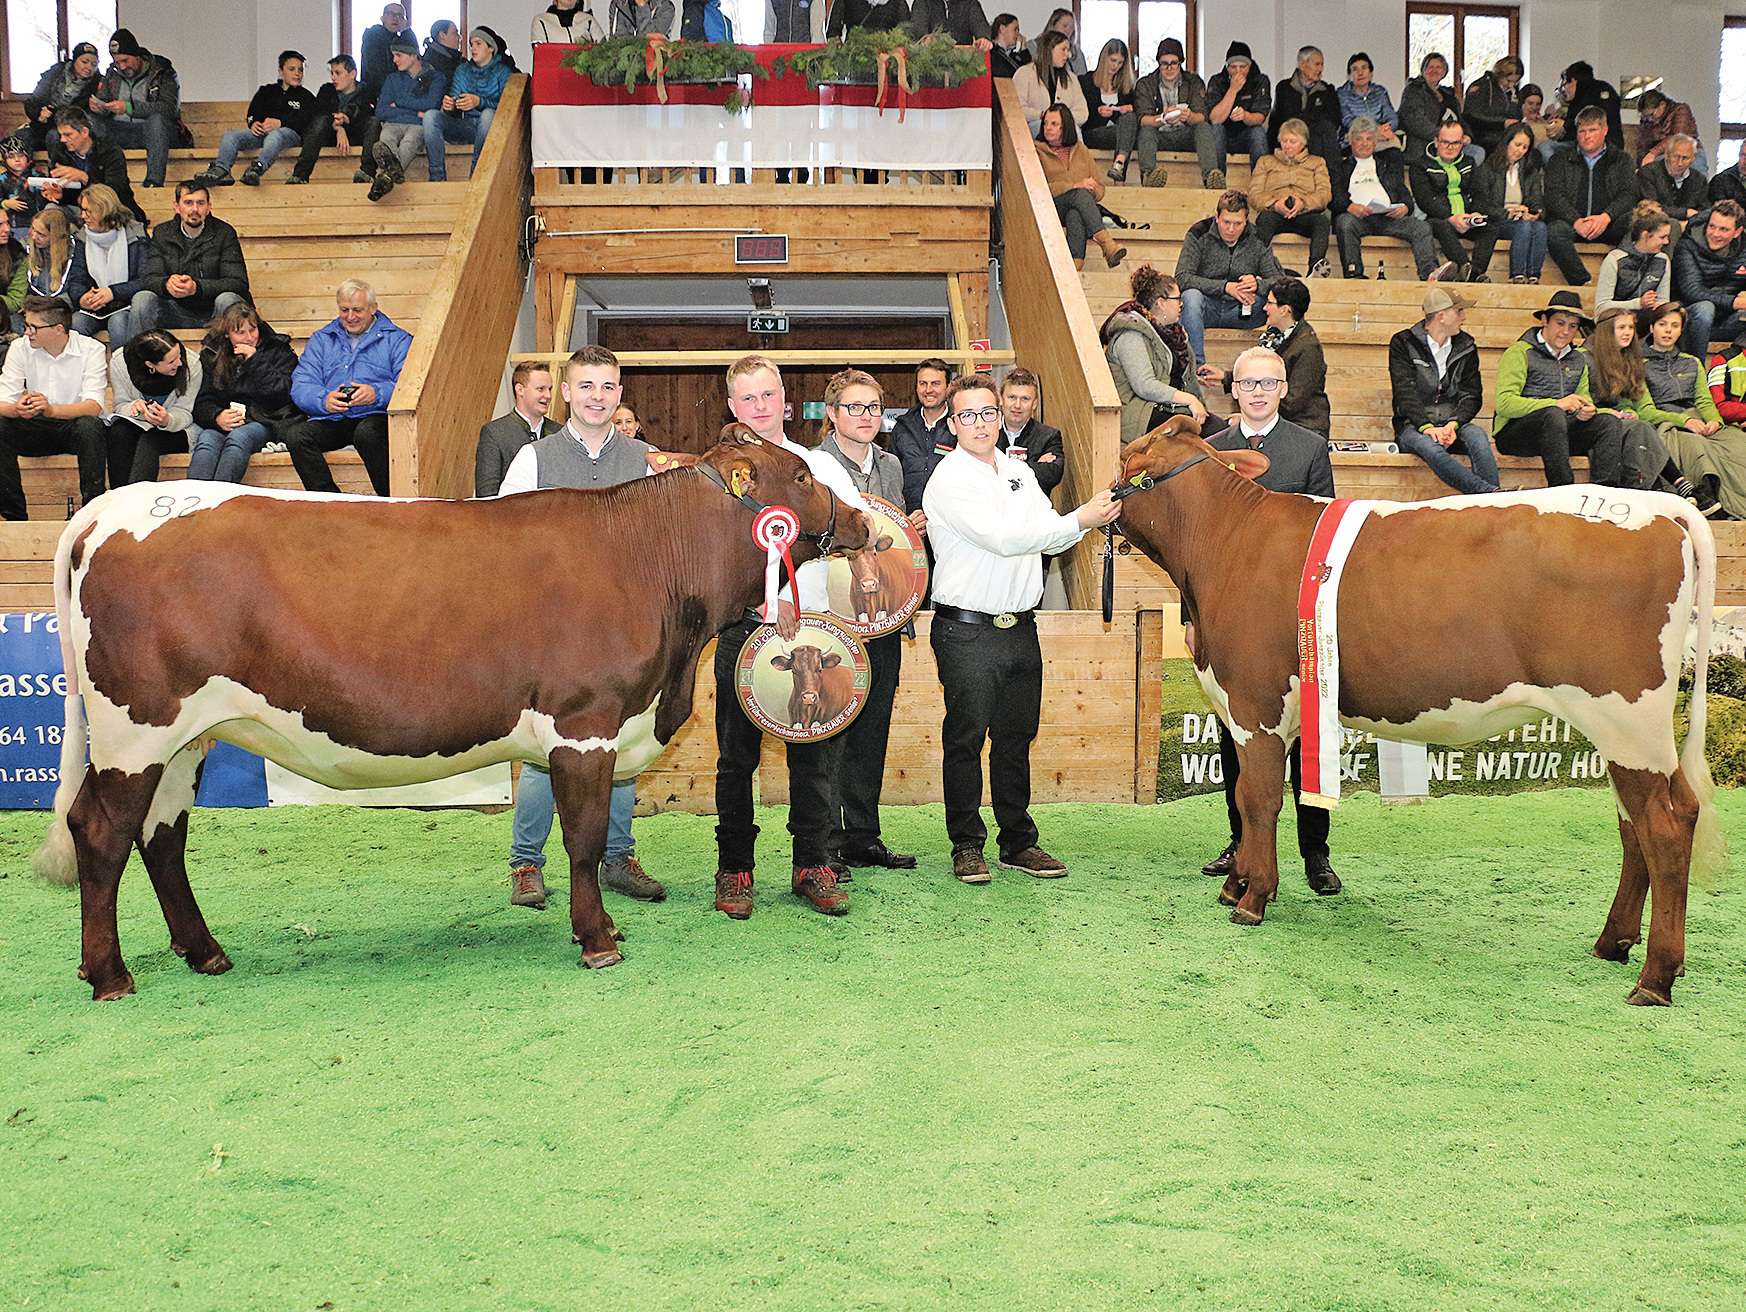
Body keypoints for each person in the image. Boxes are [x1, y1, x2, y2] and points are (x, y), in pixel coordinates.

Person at [923, 372, 1119, 883]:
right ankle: (966, 844)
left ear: (1002, 416)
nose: (980, 423)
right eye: (967, 415)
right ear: (953, 421)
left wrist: (1074, 524)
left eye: (987, 412)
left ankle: (1017, 842)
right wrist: (1082, 517)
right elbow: (1007, 538)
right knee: (966, 738)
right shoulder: (948, 480)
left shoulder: (1019, 472)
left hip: (1019, 627)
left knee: (1015, 736)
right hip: (966, 630)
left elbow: (1048, 540)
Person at [495, 346, 667, 910]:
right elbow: (505, 544)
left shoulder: (643, 461)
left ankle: (617, 856)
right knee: (550, 748)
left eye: (609, 387)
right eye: (587, 386)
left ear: (620, 393)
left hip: (621, 631)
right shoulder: (532, 459)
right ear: (566, 392)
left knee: (617, 739)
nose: (598, 396)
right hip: (551, 632)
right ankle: (527, 862)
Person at [710, 354, 874, 919]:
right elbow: (715, 559)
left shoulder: (813, 466)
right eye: (748, 399)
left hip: (812, 630)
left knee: (816, 757)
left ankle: (813, 864)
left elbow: (836, 541)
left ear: (786, 397)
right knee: (736, 760)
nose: (761, 408)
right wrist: (761, 597)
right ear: (733, 408)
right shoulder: (719, 478)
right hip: (743, 630)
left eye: (769, 395)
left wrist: (801, 600)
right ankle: (734, 870)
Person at [1197, 346, 1339, 898]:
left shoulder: (1308, 448)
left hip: (1296, 616)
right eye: (1247, 382)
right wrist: (1195, 617)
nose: (1257, 391)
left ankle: (1314, 851)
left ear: (1284, 389)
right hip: (1229, 622)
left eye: (1268, 382)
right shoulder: (1210, 452)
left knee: (1306, 734)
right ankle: (1243, 846)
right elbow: (1198, 552)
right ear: (1233, 389)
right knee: (1240, 734)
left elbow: (1325, 532)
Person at [815, 368, 917, 874]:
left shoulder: (892, 466)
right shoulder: (812, 467)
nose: (866, 417)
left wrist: (910, 530)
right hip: (834, 620)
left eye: (874, 408)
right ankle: (825, 842)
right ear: (832, 414)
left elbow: (893, 542)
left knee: (873, 727)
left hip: (884, 618)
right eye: (854, 408)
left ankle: (863, 835)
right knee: (833, 726)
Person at [285, 279, 411, 495]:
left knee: (368, 433)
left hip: (376, 415)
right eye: (344, 310)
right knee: (297, 435)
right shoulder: (322, 339)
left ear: (373, 308)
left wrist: (376, 393)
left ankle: (390, 499)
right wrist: (323, 400)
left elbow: (408, 385)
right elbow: (302, 383)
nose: (350, 316)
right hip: (333, 418)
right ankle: (330, 502)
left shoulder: (398, 339)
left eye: (357, 310)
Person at [1492, 289, 1626, 486]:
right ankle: (1563, 490)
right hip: (1516, 435)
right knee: (1553, 414)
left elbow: (1584, 397)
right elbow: (1505, 403)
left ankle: (1604, 492)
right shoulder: (1519, 352)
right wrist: (1557, 404)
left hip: (1560, 433)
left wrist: (1586, 410)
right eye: (1560, 323)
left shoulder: (1578, 358)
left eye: (1573, 326)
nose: (1565, 332)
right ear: (1544, 320)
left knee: (1608, 422)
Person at [0, 296, 106, 520]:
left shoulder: (91, 349)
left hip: (73, 428)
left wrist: (51, 410)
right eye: (27, 326)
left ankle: (91, 513)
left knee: (90, 426)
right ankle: (14, 516)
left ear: (58, 329)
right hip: (35, 427)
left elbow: (94, 406)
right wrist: (17, 409)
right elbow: (4, 400)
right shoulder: (20, 347)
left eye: (33, 327)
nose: (27, 332)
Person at [1388, 286, 1499, 495]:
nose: (1463, 317)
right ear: (1441, 316)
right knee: (1431, 448)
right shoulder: (1403, 343)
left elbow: (1472, 394)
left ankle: (1492, 498)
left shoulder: (1466, 345)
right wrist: (1426, 426)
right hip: (1413, 425)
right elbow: (1405, 392)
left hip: (1452, 424)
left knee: (1478, 437)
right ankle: (1491, 496)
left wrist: (1454, 423)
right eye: (1459, 312)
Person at [1585, 304, 1704, 500]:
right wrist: (1606, 412)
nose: (1628, 333)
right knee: (1641, 428)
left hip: (1615, 421)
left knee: (1639, 426)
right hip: (1590, 421)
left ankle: (1657, 489)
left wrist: (1627, 411)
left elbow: (1624, 400)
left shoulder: (1625, 358)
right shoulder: (1585, 358)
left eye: (1631, 328)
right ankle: (1675, 484)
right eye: (1621, 327)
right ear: (1607, 330)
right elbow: (1582, 399)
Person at [1640, 300, 1746, 518]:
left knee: (1737, 441)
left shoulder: (1691, 362)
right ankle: (1713, 500)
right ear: (1652, 327)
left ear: (1681, 330)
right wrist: (1685, 422)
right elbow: (1645, 410)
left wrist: (1714, 421)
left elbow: (1704, 400)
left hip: (1696, 416)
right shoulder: (1638, 364)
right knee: (1695, 445)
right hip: (1666, 421)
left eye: (1675, 326)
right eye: (1662, 324)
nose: (1668, 330)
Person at [1197, 277, 1330, 436]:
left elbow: (1292, 402)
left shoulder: (1308, 347)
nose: (1265, 308)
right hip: (1277, 422)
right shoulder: (1274, 337)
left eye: (1269, 303)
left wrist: (1251, 418)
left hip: (1302, 428)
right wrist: (1226, 377)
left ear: (1284, 310)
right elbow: (1263, 377)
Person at [189, 303, 300, 483]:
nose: (249, 337)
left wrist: (255, 360)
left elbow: (281, 395)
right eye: (240, 332)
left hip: (267, 419)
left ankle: (220, 502)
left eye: (253, 330)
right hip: (228, 420)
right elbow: (202, 400)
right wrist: (216, 416)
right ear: (227, 334)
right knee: (206, 440)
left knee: (238, 439)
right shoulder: (212, 353)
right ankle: (195, 502)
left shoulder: (279, 349)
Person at [1174, 187, 1284, 363]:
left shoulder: (1259, 237)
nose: (1231, 229)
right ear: (1216, 217)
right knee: (1190, 297)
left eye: (1238, 223)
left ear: (1246, 221)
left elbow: (1279, 281)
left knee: (1278, 303)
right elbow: (1182, 277)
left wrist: (1257, 284)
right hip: (1205, 307)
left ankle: (1270, 366)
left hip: (1243, 310)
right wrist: (1225, 287)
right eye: (1226, 222)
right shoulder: (1198, 233)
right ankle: (1196, 366)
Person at [1100, 264, 1207, 441]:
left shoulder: (1175, 334)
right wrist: (1189, 399)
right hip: (1139, 414)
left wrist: (1198, 403)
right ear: (1161, 303)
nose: (1181, 304)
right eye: (1177, 298)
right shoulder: (1130, 334)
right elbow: (1144, 385)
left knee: (1219, 431)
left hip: (1167, 407)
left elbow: (1188, 381)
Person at [130, 181, 250, 333]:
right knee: (143, 298)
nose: (195, 209)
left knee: (228, 300)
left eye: (200, 203)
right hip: (174, 310)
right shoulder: (162, 233)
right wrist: (166, 284)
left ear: (209, 207)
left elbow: (238, 283)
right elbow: (148, 278)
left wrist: (197, 287)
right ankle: (138, 355)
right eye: (188, 203)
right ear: (177, 207)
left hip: (214, 312)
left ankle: (226, 355)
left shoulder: (224, 233)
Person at [1334, 117, 1444, 281]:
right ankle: (1353, 274)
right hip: (1359, 219)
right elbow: (1335, 196)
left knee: (1421, 227)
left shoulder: (1386, 165)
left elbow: (1402, 190)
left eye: (1369, 139)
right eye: (1359, 139)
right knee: (1345, 222)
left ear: (1375, 142)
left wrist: (1406, 207)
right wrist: (1349, 206)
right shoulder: (1342, 167)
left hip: (1388, 218)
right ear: (1351, 141)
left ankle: (1429, 272)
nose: (1364, 143)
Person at [1543, 106, 1639, 284]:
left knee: (1634, 223)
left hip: (1608, 224)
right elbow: (1553, 195)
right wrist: (1576, 221)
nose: (1587, 136)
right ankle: (1582, 281)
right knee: (1553, 231)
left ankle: (1625, 281)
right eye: (1582, 131)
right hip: (1572, 224)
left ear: (1605, 130)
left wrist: (1605, 217)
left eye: (1592, 130)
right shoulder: (1559, 159)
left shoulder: (1621, 159)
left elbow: (1629, 194)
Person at [196, 52, 318, 189]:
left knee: (275, 135)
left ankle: (258, 167)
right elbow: (253, 112)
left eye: (300, 70)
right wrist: (254, 123)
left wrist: (281, 123)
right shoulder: (266, 91)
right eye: (292, 69)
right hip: (262, 134)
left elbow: (307, 122)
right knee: (231, 135)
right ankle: (221, 169)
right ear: (280, 71)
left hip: (289, 136)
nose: (297, 73)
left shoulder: (307, 97)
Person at [104, 328, 202, 486]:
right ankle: (119, 497)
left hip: (179, 429)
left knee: (150, 438)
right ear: (150, 365)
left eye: (179, 355)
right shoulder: (120, 362)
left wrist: (166, 420)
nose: (179, 362)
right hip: (139, 423)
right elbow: (120, 405)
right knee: (119, 432)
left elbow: (186, 412)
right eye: (171, 361)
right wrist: (133, 408)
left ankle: (140, 499)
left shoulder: (192, 363)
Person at [1035, 105, 1127, 272]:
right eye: (1046, 123)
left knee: (1075, 213)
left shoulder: (1081, 150)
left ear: (1066, 126)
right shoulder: (1036, 151)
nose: (1048, 128)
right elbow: (1038, 189)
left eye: (1054, 124)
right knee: (1078, 194)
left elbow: (1100, 190)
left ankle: (1075, 266)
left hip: (1077, 206)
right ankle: (1106, 242)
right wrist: (1074, 186)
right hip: (1049, 206)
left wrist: (1092, 189)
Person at [88, 29, 183, 190]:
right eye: (117, 62)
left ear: (137, 55)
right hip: (121, 131)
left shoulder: (163, 72)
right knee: (90, 121)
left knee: (157, 121)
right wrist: (99, 107)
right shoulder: (112, 74)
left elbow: (168, 109)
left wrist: (129, 107)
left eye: (125, 60)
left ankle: (154, 181)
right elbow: (104, 101)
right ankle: (95, 181)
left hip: (154, 133)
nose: (122, 66)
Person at [1410, 118, 1501, 283]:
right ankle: (1466, 269)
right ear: (1436, 142)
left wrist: (1474, 214)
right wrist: (1452, 217)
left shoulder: (1469, 162)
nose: (1450, 147)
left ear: (1462, 143)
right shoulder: (1420, 165)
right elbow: (1425, 200)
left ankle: (1475, 272)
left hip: (1466, 217)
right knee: (1441, 226)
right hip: (1438, 218)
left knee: (1490, 229)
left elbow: (1480, 193)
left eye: (1456, 143)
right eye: (1445, 142)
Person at [364, 34, 446, 202]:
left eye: (398, 55)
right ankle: (390, 176)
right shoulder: (392, 79)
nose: (394, 60)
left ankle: (383, 178)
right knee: (386, 138)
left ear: (413, 55)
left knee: (410, 141)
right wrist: (415, 111)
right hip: (394, 123)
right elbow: (381, 111)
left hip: (417, 126)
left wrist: (400, 103)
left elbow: (431, 104)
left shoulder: (435, 77)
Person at [1248, 117, 1332, 278]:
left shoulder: (1317, 162)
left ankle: (1315, 268)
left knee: (1322, 222)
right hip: (1276, 213)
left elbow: (1324, 194)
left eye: (1292, 141)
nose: (1287, 145)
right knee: (1264, 220)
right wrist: (1274, 203)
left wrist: (1304, 203)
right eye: (1284, 141)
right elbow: (1254, 194)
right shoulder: (1266, 162)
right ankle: (1257, 267)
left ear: (1303, 143)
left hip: (1304, 214)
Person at [66, 184, 150, 345]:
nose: (83, 216)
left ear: (103, 210)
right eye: (82, 210)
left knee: (118, 323)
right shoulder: (82, 237)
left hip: (126, 305)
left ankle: (123, 368)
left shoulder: (136, 235)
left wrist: (112, 293)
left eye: (88, 211)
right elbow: (76, 278)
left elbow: (146, 279)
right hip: (94, 308)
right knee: (76, 323)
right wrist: (82, 297)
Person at [424, 28, 510, 181]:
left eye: (478, 44)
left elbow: (507, 108)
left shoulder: (503, 72)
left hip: (492, 130)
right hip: (467, 126)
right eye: (471, 44)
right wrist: (449, 105)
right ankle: (437, 177)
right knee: (431, 116)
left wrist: (479, 102)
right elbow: (455, 97)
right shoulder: (462, 70)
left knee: (488, 114)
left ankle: (476, 174)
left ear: (491, 48)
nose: (473, 48)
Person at [1133, 38, 1217, 189]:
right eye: (1164, 63)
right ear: (1158, 63)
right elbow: (1142, 119)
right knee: (1146, 132)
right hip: (1160, 134)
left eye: (1174, 63)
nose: (1169, 68)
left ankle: (1211, 177)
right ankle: (1149, 176)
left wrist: (1190, 117)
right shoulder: (1145, 84)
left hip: (1186, 133)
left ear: (1180, 64)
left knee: (1203, 128)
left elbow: (1203, 116)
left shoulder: (1194, 82)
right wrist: (1163, 118)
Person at [46, 109, 145, 227]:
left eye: (68, 134)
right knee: (51, 211)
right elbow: (69, 197)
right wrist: (61, 196)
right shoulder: (59, 153)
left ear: (84, 132)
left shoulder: (110, 152)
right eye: (60, 135)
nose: (63, 140)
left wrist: (86, 178)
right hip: (79, 210)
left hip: (112, 210)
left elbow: (117, 191)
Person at [1475, 122, 1548, 283]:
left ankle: (1534, 275)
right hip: (1498, 221)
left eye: (1524, 147)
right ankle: (1517, 275)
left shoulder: (1530, 171)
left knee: (1540, 227)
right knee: (1525, 227)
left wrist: (1535, 213)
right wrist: (1508, 213)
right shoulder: (1487, 168)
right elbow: (1480, 205)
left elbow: (1537, 201)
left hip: (1521, 220)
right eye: (1517, 144)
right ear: (1506, 142)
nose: (1520, 150)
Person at [475, 359, 559, 496]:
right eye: (540, 389)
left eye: (549, 389)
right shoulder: (494, 433)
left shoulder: (559, 432)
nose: (548, 395)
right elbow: (486, 495)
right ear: (520, 390)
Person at [289, 55, 375, 186]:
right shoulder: (327, 90)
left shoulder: (366, 91)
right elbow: (319, 112)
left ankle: (367, 173)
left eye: (338, 73)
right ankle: (300, 175)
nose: (333, 77)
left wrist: (347, 118)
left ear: (352, 74)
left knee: (373, 122)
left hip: (356, 135)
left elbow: (366, 113)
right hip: (329, 136)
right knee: (320, 121)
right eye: (332, 73)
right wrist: (339, 128)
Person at [1675, 202, 1746, 355]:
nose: (1715, 233)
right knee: (1705, 308)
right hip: (1691, 319)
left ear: (1737, 232)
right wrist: (1734, 301)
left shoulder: (1744, 248)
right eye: (1712, 226)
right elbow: (1692, 291)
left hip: (1728, 319)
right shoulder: (1687, 246)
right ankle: (1697, 369)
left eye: (1723, 229)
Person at [890, 357, 953, 516]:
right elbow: (890, 476)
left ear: (948, 387)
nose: (928, 390)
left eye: (935, 384)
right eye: (923, 383)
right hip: (909, 520)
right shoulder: (902, 427)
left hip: (948, 521)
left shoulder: (959, 426)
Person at [20, 43, 102, 157]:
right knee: (21, 137)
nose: (89, 67)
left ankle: (56, 172)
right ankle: (26, 173)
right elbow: (33, 100)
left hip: (68, 129)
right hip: (41, 124)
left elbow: (84, 116)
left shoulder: (97, 83)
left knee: (54, 137)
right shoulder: (55, 73)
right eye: (84, 62)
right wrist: (38, 113)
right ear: (74, 61)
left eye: (94, 64)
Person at [1594, 202, 1673, 318]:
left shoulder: (1663, 260)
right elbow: (1601, 307)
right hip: (1615, 322)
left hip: (1645, 323)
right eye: (1662, 237)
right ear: (1645, 235)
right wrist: (1638, 303)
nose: (1667, 242)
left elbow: (1663, 302)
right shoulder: (1615, 259)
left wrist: (1659, 306)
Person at [1205, 41, 1271, 179]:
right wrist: (1233, 90)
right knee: (1215, 130)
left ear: (1250, 65)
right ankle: (1216, 179)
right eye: (1233, 67)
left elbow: (1260, 117)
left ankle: (1261, 180)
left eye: (1242, 67)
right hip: (1223, 135)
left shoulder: (1260, 81)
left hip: (1246, 134)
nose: (1238, 71)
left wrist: (1245, 116)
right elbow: (1215, 119)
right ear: (1226, 66)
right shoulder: (1217, 81)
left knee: (1258, 133)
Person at [1267, 45, 1341, 167]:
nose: (1320, 69)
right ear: (1302, 65)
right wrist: (1312, 119)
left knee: (1325, 131)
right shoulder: (1284, 87)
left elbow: (1333, 119)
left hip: (1318, 141)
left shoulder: (1327, 91)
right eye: (1317, 64)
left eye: (1322, 65)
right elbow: (1287, 117)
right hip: (1289, 139)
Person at [995, 367, 1064, 493]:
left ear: (1035, 403)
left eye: (1025, 399)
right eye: (1012, 397)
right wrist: (1033, 465)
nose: (1017, 405)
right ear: (1001, 399)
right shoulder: (987, 433)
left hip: (1034, 511)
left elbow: (1051, 476)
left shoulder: (1049, 436)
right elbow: (978, 473)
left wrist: (999, 468)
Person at [1079, 39, 1138, 183]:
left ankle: (1119, 162)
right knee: (1127, 132)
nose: (1115, 66)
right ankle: (1120, 169)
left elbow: (1136, 111)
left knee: (1129, 120)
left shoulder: (1127, 87)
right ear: (1104, 58)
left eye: (1120, 63)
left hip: (1120, 132)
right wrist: (1097, 111)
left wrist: (1128, 109)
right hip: (1094, 132)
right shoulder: (1086, 81)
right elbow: (1082, 114)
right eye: (1113, 60)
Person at [1013, 33, 1085, 137]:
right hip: (1033, 127)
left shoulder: (1071, 78)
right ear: (1049, 49)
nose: (1067, 55)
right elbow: (1017, 109)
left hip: (1066, 127)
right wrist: (1043, 115)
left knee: (1073, 129)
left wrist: (1062, 119)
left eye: (1068, 50)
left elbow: (1083, 112)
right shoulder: (1025, 73)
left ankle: (1077, 154)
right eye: (1063, 49)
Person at [1397, 51, 1464, 162]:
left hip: (1452, 141)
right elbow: (1416, 122)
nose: (1434, 70)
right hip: (1423, 144)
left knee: (1476, 152)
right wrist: (1444, 136)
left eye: (1438, 67)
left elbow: (1460, 120)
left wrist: (1466, 135)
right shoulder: (1413, 90)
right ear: (1423, 70)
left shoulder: (1449, 95)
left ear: (1444, 71)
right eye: (1430, 67)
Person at [1637, 135, 1708, 235]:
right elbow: (1650, 208)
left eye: (1685, 158)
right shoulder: (1648, 173)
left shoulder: (1699, 179)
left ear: (1693, 159)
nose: (1679, 163)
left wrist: (1689, 223)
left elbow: (1704, 210)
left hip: (1689, 228)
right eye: (1676, 156)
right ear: (1667, 155)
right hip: (1654, 228)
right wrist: (1685, 213)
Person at [1550, 61, 1623, 155]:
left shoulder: (1598, 94)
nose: (1563, 90)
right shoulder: (1580, 98)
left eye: (1564, 85)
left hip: (1606, 146)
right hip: (1586, 144)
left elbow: (1590, 121)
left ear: (1573, 81)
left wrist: (1565, 125)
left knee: (1546, 148)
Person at [1335, 52, 1400, 151]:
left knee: (1394, 154)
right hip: (1356, 139)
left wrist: (1388, 128)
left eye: (1364, 68)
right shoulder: (1342, 94)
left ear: (1371, 73)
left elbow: (1391, 115)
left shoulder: (1380, 91)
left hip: (1381, 137)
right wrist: (1374, 131)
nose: (1360, 73)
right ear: (1349, 76)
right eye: (1355, 69)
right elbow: (1348, 120)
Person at [1464, 55, 1523, 158]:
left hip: (1504, 136)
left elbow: (1517, 115)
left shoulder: (1512, 92)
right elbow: (1471, 117)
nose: (1511, 85)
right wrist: (1501, 123)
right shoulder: (1481, 87)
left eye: (1515, 82)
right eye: (1508, 81)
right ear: (1499, 75)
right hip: (1482, 136)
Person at [1636, 89, 1706, 175]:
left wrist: (1653, 153)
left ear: (1662, 105)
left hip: (1690, 152)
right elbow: (1643, 144)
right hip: (1661, 155)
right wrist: (1641, 165)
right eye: (1645, 116)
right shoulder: (1646, 121)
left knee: (1696, 178)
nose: (1649, 118)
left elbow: (1678, 137)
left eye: (1651, 114)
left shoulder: (1680, 110)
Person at [0, 136, 48, 248]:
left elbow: (44, 201)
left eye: (21, 155)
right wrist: (6, 203)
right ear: (4, 160)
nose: (17, 160)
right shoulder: (2, 180)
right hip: (12, 225)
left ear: (28, 157)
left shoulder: (38, 177)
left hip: (36, 223)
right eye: (11, 156)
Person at [24, 208, 74, 303]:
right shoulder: (24, 247)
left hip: (61, 306)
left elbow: (73, 291)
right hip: (34, 303)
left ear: (56, 236)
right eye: (33, 229)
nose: (34, 237)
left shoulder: (74, 253)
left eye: (41, 235)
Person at [362, 3, 410, 93]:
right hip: (378, 93)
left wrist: (405, 31)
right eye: (391, 14)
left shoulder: (399, 39)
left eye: (400, 15)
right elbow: (376, 70)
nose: (395, 18)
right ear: (382, 18)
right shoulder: (374, 36)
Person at [1028, 9, 1087, 77]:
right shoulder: (1033, 46)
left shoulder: (1076, 52)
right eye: (1065, 26)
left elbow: (1082, 77)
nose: (1068, 31)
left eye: (1071, 28)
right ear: (1053, 24)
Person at [907, 0, 993, 45]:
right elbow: (917, 30)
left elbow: (980, 24)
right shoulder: (922, 2)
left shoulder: (970, 3)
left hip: (962, 66)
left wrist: (983, 38)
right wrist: (925, 39)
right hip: (930, 67)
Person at [532, 0, 606, 45]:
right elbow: (540, 54)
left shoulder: (589, 20)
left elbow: (604, 50)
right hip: (553, 70)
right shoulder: (541, 21)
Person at [422, 21, 465, 86]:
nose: (459, 37)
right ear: (442, 35)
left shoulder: (454, 59)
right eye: (455, 33)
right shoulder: (432, 62)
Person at [989, 14, 1030, 80]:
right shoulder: (992, 53)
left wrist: (1023, 50)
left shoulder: (1012, 56)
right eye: (1015, 29)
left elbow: (1028, 72)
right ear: (1002, 29)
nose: (1018, 34)